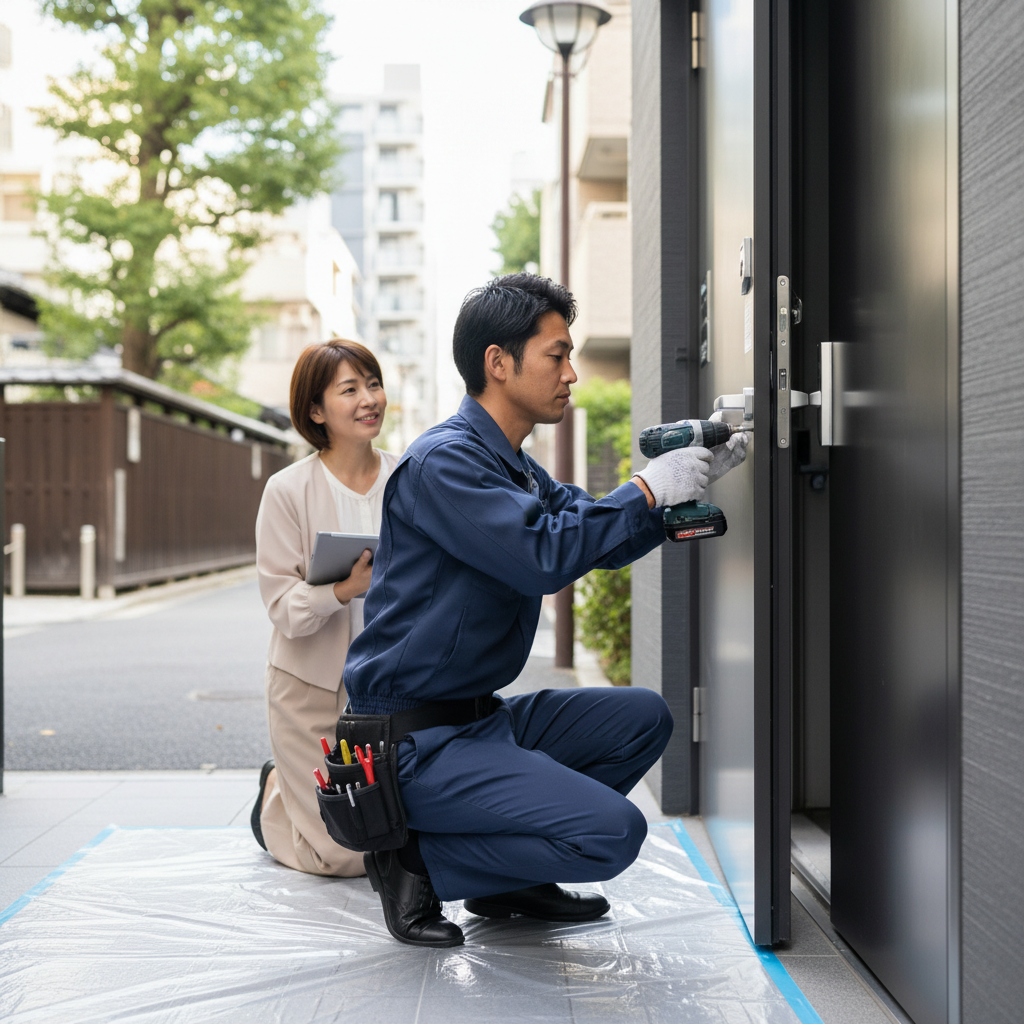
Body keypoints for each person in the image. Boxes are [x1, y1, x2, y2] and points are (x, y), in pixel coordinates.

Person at [342, 274, 750, 946]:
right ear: (498, 364)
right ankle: (414, 864)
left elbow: (590, 532)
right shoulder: (446, 463)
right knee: (611, 833)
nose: (572, 373)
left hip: (478, 722)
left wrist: (677, 489)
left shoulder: (513, 468)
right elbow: (544, 555)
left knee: (641, 718)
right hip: (412, 743)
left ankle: (509, 882)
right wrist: (648, 488)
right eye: (556, 356)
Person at [250, 339, 399, 877]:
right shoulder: (286, 489)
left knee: (396, 841)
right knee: (343, 856)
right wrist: (343, 590)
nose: (369, 399)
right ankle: (275, 797)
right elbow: (282, 605)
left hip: (389, 684)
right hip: (308, 684)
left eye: (374, 384)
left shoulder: (408, 478)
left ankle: (291, 790)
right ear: (316, 410)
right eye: (350, 389)